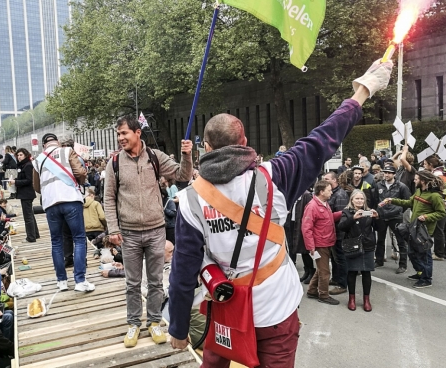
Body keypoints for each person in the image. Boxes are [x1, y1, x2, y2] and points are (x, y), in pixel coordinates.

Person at [168, 59, 393, 367]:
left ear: (205, 148)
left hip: (227, 311)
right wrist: (362, 91)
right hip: (276, 311)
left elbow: (183, 274)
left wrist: (179, 329)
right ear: (245, 143)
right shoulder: (276, 175)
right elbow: (323, 139)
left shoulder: (191, 201)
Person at [104, 115, 192, 348]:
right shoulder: (114, 163)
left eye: (124, 133)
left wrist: (186, 154)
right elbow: (109, 198)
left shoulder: (154, 157)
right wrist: (113, 228)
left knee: (155, 281)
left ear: (137, 133)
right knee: (132, 283)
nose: (120, 138)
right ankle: (133, 324)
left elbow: (183, 175)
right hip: (129, 234)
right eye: (119, 134)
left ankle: (154, 322)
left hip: (156, 231)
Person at [33, 133, 95, 293]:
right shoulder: (67, 151)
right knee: (79, 239)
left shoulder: (38, 160)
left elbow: (37, 187)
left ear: (43, 145)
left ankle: (61, 281)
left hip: (50, 204)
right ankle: (80, 280)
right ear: (57, 142)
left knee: (56, 242)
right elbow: (81, 173)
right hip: (70, 199)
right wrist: (78, 183)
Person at [385, 171, 446, 288]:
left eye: (416, 179)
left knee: (424, 255)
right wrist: (392, 200)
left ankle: (426, 279)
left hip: (424, 231)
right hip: (414, 228)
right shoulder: (418, 191)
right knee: (412, 253)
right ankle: (421, 273)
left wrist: (427, 217)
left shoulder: (434, 196)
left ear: (423, 181)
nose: (414, 180)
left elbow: (441, 213)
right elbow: (409, 202)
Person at [302, 181, 342, 305]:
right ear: (321, 192)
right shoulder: (312, 206)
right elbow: (306, 228)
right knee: (325, 272)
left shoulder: (324, 204)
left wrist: (343, 213)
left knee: (321, 269)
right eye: (329, 190)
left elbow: (329, 218)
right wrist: (311, 247)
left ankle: (312, 291)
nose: (331, 192)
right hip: (320, 244)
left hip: (326, 242)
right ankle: (324, 295)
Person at [338, 190, 378, 312]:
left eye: (362, 199)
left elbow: (379, 228)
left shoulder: (369, 212)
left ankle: (366, 300)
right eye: (357, 199)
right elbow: (341, 227)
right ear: (352, 200)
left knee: (366, 273)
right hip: (352, 245)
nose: (360, 201)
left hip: (367, 245)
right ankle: (352, 299)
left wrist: (377, 218)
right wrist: (353, 217)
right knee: (352, 272)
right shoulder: (346, 212)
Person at [374, 164, 411, 272]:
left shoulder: (401, 186)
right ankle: (379, 261)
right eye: (385, 172)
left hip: (395, 217)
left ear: (394, 174)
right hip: (381, 216)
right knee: (380, 240)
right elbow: (375, 199)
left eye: (389, 173)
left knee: (400, 241)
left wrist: (399, 211)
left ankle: (403, 265)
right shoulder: (378, 185)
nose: (386, 174)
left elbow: (407, 202)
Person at [422, 155, 446, 261]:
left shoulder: (437, 173)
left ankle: (439, 253)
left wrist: (443, 200)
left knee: (439, 229)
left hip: (443, 204)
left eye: (425, 164)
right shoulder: (443, 170)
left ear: (431, 165)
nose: (424, 166)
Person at [9, 148, 39, 243]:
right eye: (18, 155)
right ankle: (35, 234)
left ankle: (30, 237)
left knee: (28, 216)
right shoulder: (22, 165)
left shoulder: (28, 165)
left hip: (27, 193)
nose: (19, 157)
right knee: (30, 214)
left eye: (21, 155)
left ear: (26, 155)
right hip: (24, 193)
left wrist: (16, 182)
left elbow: (29, 180)